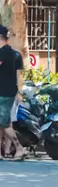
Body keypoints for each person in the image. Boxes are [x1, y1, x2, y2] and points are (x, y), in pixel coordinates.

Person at [0, 26, 25, 160]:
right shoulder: (16, 54)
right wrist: (19, 92)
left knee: (3, 123)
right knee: (2, 122)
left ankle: (19, 148)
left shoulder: (3, 53)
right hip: (10, 92)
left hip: (3, 93)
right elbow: (19, 75)